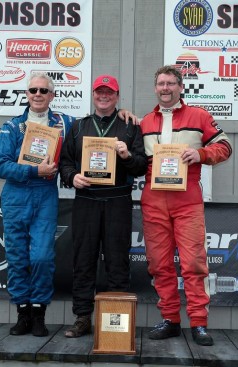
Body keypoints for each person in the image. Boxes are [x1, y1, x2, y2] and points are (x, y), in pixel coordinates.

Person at [0, 72, 136, 337]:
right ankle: (23, 312)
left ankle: (38, 312)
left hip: (46, 194)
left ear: (52, 95)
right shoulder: (12, 126)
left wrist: (122, 113)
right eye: (33, 90)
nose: (38, 95)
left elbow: (97, 122)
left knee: (42, 257)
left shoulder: (66, 123)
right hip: (16, 195)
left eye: (43, 91)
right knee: (17, 258)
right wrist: (35, 172)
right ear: (26, 94)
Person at [140, 65, 232, 346]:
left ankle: (199, 323)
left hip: (187, 200)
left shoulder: (199, 116)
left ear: (181, 87)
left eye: (170, 83)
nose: (165, 88)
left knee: (193, 263)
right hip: (153, 200)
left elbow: (225, 146)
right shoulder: (145, 121)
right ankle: (170, 319)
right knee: (159, 264)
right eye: (160, 84)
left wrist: (201, 153)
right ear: (155, 88)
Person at [59, 75, 148, 338]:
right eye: (100, 91)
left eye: (109, 92)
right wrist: (71, 177)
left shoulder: (130, 126)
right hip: (86, 201)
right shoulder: (78, 126)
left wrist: (127, 156)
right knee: (83, 260)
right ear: (93, 94)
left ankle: (116, 322)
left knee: (117, 261)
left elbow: (142, 165)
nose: (104, 96)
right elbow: (65, 163)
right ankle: (83, 317)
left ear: (117, 96)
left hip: (118, 200)